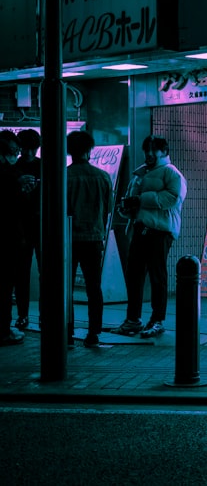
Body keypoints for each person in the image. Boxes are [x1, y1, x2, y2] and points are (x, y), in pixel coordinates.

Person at [116, 135, 187, 338]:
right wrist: (127, 207)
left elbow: (172, 198)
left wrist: (140, 200)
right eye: (146, 150)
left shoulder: (172, 173)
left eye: (153, 150)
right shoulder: (140, 173)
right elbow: (135, 202)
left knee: (157, 276)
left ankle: (157, 320)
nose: (148, 154)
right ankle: (133, 320)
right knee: (134, 275)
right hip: (140, 228)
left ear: (164, 152)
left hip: (160, 231)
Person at [66, 131, 114, 348]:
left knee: (65, 287)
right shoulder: (102, 177)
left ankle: (66, 330)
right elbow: (108, 210)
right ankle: (94, 332)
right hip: (94, 238)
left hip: (69, 239)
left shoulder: (64, 176)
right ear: (89, 150)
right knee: (94, 287)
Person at [12, 129, 40, 331]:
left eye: (32, 149)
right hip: (36, 225)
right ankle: (26, 315)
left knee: (22, 273)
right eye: (26, 149)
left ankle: (23, 316)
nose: (29, 152)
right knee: (26, 273)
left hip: (23, 226)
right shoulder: (44, 166)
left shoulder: (15, 167)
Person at [0, 130, 26, 346]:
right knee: (6, 285)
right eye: (14, 152)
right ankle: (4, 330)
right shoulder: (10, 177)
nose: (16, 156)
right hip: (8, 239)